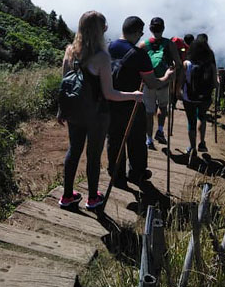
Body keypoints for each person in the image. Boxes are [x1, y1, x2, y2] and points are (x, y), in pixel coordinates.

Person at [57, 11, 143, 210]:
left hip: (74, 111)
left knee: (74, 150)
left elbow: (65, 84)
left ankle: (67, 196)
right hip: (97, 114)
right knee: (93, 156)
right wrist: (134, 95)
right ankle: (93, 198)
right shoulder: (102, 56)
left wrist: (62, 110)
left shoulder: (70, 51)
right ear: (100, 30)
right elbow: (109, 93)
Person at [108, 16, 174, 186]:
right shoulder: (139, 55)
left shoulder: (108, 47)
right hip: (133, 102)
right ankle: (137, 174)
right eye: (141, 32)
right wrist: (166, 77)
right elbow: (152, 82)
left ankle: (116, 175)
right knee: (136, 140)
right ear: (137, 32)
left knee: (114, 139)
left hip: (111, 100)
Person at [139, 17, 182, 149]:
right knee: (162, 107)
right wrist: (172, 70)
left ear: (150, 29)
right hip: (164, 82)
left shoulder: (143, 44)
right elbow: (179, 64)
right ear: (163, 29)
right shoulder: (170, 44)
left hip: (148, 82)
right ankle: (160, 130)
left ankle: (149, 139)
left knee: (148, 112)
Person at [181, 39, 219, 161]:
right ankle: (202, 143)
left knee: (191, 122)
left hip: (189, 98)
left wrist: (178, 93)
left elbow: (181, 82)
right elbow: (215, 84)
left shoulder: (187, 64)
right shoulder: (211, 66)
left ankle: (192, 148)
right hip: (205, 98)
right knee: (201, 117)